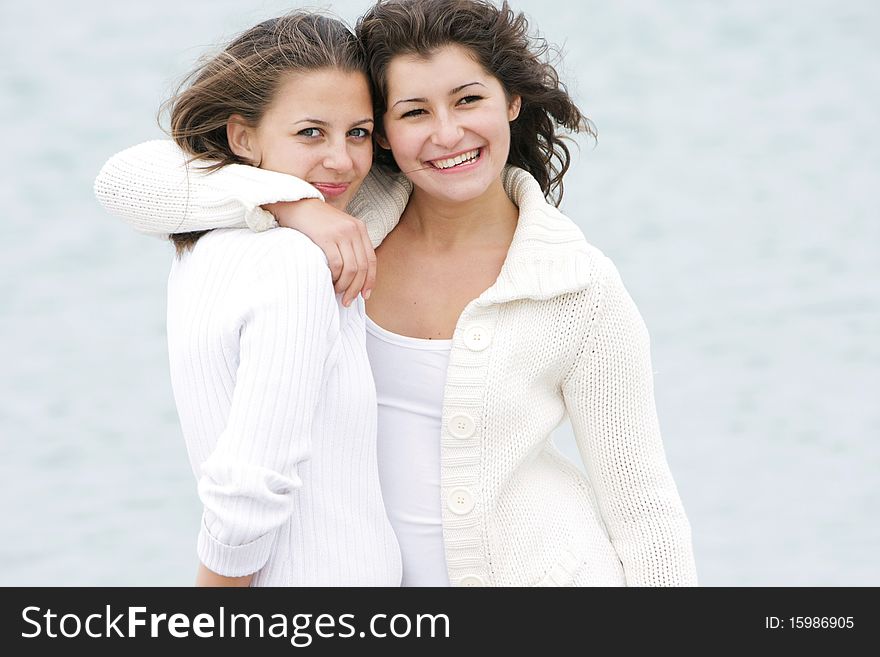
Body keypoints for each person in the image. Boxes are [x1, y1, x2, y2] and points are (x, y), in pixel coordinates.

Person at [96, 0, 697, 586]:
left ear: (511, 100)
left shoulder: (575, 286)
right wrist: (291, 204)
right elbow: (128, 182)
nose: (447, 132)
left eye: (468, 100)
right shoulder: (346, 210)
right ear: (382, 132)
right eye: (413, 112)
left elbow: (643, 506)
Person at [95, 12, 402, 587]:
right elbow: (249, 482)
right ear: (242, 136)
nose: (342, 160)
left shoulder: (204, 246)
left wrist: (294, 202)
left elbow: (407, 175)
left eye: (359, 132)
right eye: (311, 132)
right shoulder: (293, 262)